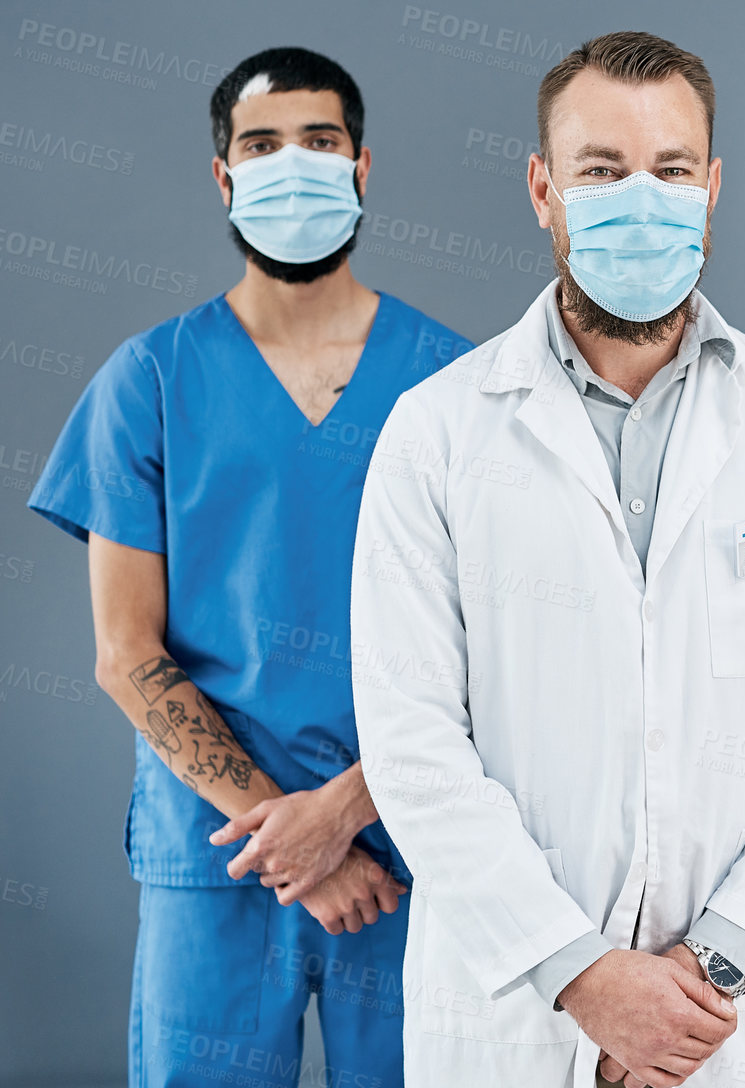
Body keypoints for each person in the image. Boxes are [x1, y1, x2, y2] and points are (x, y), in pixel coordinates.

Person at [349, 32, 745, 1088]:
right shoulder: (440, 432)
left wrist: (711, 968)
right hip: (523, 1014)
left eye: (672, 169)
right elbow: (415, 738)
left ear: (714, 189)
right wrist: (585, 976)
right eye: (602, 170)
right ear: (543, 187)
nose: (638, 198)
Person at [25, 47, 470, 1088]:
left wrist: (345, 812)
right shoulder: (151, 380)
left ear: (363, 167)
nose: (294, 164)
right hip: (218, 860)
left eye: (319, 142)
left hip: (415, 845)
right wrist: (290, 836)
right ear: (223, 178)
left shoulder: (456, 385)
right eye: (262, 145)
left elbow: (495, 644)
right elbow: (127, 652)